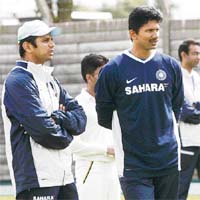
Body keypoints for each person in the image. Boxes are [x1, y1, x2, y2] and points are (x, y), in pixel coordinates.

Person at [95, 6, 184, 200]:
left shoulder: (170, 66)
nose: (155, 35)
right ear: (133, 34)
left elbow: (176, 107)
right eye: (149, 31)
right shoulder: (113, 70)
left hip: (168, 159)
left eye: (157, 30)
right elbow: (104, 115)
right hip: (133, 164)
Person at [1, 20, 86, 200]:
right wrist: (68, 135)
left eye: (51, 39)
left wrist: (59, 117)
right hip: (36, 179)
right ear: (27, 46)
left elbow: (80, 118)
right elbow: (44, 131)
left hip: (65, 176)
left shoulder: (50, 80)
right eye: (45, 40)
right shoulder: (18, 82)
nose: (52, 44)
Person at [69, 54, 121, 200]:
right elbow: (72, 144)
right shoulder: (77, 106)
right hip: (90, 170)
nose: (107, 79)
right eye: (101, 74)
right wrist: (106, 150)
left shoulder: (113, 102)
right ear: (89, 77)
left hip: (113, 169)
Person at [178, 40, 200, 200]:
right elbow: (187, 114)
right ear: (183, 55)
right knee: (181, 188)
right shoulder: (176, 77)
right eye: (195, 53)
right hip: (186, 141)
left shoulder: (197, 77)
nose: (199, 57)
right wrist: (193, 108)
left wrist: (194, 106)